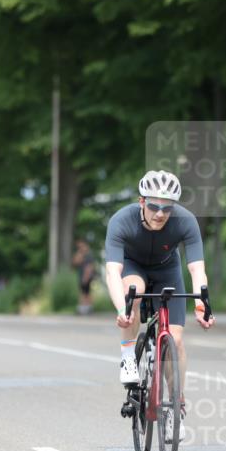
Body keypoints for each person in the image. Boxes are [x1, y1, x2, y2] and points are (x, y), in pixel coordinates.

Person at [104, 170, 216, 417]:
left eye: (167, 209)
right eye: (154, 206)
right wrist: (121, 310)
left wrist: (202, 307)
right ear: (141, 201)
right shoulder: (121, 220)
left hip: (168, 270)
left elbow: (197, 269)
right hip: (134, 267)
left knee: (175, 340)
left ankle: (177, 401)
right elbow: (113, 271)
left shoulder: (185, 221)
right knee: (135, 290)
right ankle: (128, 356)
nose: (160, 214)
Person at [72, 238, 96, 315]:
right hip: (81, 276)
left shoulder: (89, 254)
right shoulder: (82, 254)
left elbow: (89, 267)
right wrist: (79, 253)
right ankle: (85, 308)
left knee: (85, 293)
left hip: (86, 277)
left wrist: (85, 278)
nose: (80, 247)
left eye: (81, 246)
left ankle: (85, 308)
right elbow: (75, 262)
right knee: (84, 292)